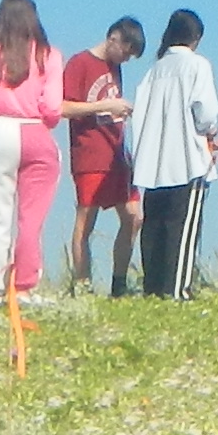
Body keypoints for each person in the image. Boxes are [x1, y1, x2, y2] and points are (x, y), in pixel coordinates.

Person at [0, 0, 70, 298]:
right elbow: (53, 107)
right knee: (31, 218)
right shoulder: (49, 55)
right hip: (36, 132)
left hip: (0, 132)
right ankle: (25, 286)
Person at [123, 5, 218, 296]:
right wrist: (210, 130)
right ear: (196, 38)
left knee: (154, 229)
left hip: (153, 162)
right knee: (182, 229)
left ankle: (153, 289)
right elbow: (205, 114)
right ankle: (178, 289)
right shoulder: (197, 66)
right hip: (187, 158)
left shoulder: (153, 71)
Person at [64, 17, 147, 292]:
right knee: (86, 220)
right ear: (113, 39)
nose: (125, 59)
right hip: (90, 154)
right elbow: (63, 107)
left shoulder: (114, 68)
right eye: (125, 51)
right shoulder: (79, 63)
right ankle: (82, 285)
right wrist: (103, 105)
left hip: (117, 154)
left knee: (134, 216)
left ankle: (119, 283)